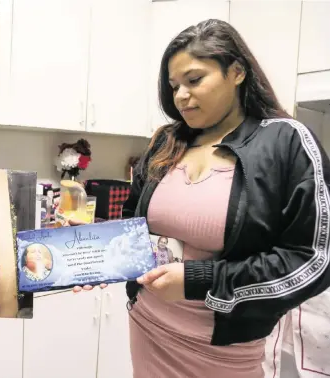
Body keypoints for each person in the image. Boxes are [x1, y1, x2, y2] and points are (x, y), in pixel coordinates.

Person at [73, 19, 330, 377]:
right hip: (148, 328)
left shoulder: (286, 141)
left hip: (225, 353)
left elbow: (312, 261)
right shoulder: (166, 142)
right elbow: (136, 225)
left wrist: (198, 279)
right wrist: (95, 248)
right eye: (174, 85)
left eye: (194, 80)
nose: (180, 96)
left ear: (236, 72)